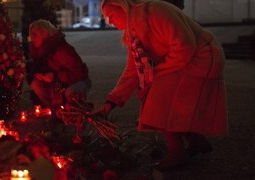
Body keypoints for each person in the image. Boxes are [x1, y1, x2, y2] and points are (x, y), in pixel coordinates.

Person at [93, 0, 228, 171]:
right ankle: (196, 140)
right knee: (166, 100)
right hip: (187, 60)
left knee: (157, 100)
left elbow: (184, 46)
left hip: (203, 56)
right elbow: (133, 70)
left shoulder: (153, 11)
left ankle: (176, 152)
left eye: (110, 15)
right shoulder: (133, 32)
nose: (109, 21)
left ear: (122, 6)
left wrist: (156, 73)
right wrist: (110, 103)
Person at [29, 19, 91, 111]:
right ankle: (56, 111)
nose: (31, 39)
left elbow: (79, 73)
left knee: (70, 92)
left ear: (44, 33)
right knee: (36, 85)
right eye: (30, 35)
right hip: (58, 83)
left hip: (77, 81)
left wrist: (55, 76)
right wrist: (41, 75)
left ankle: (74, 112)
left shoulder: (62, 50)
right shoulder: (40, 51)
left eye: (34, 35)